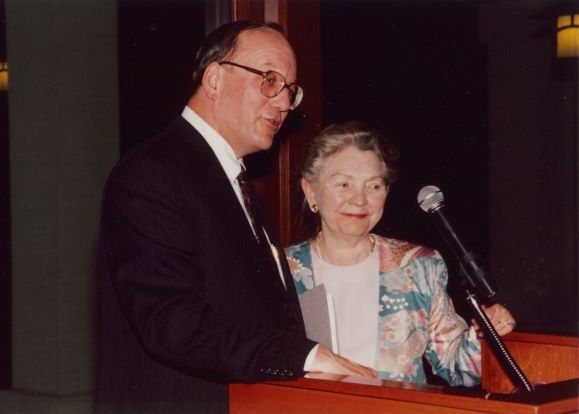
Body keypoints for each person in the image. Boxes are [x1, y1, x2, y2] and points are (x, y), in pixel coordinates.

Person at [95, 21, 374, 414]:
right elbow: (172, 323)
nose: (283, 102)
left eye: (290, 90)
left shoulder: (233, 180)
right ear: (214, 79)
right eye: (270, 79)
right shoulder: (152, 174)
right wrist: (304, 357)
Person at [286, 121, 515, 386]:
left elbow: (456, 367)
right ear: (310, 190)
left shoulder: (418, 266)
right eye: (343, 185)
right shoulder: (282, 270)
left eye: (373, 186)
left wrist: (484, 335)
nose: (360, 200)